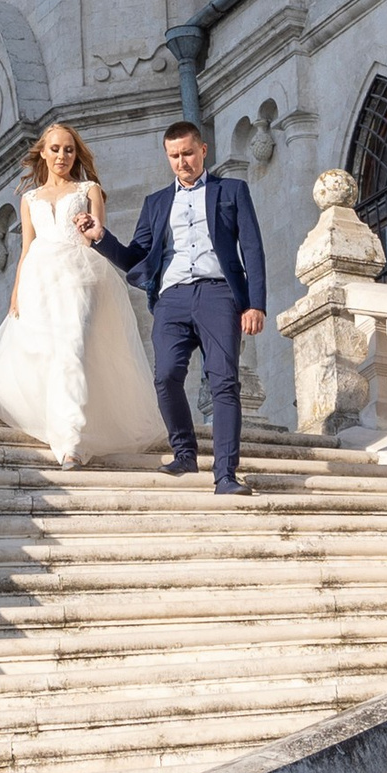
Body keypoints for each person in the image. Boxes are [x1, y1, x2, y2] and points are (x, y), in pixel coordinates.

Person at [0, 119, 167, 467]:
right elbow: (27, 247)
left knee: (74, 347)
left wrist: (91, 231)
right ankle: (58, 427)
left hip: (82, 274)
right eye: (56, 149)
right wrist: (16, 292)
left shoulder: (89, 190)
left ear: (76, 154)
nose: (62, 155)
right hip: (39, 277)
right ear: (43, 154)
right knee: (46, 352)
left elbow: (100, 238)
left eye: (69, 149)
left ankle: (72, 442)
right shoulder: (29, 199)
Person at [86, 118, 268, 494]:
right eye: (174, 156)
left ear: (203, 151)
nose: (182, 162)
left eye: (187, 153)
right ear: (166, 157)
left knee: (224, 382)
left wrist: (255, 304)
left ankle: (225, 476)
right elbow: (135, 256)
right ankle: (184, 451)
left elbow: (252, 248)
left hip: (219, 294)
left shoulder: (232, 190)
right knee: (165, 375)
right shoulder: (156, 203)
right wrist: (100, 238)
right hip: (171, 299)